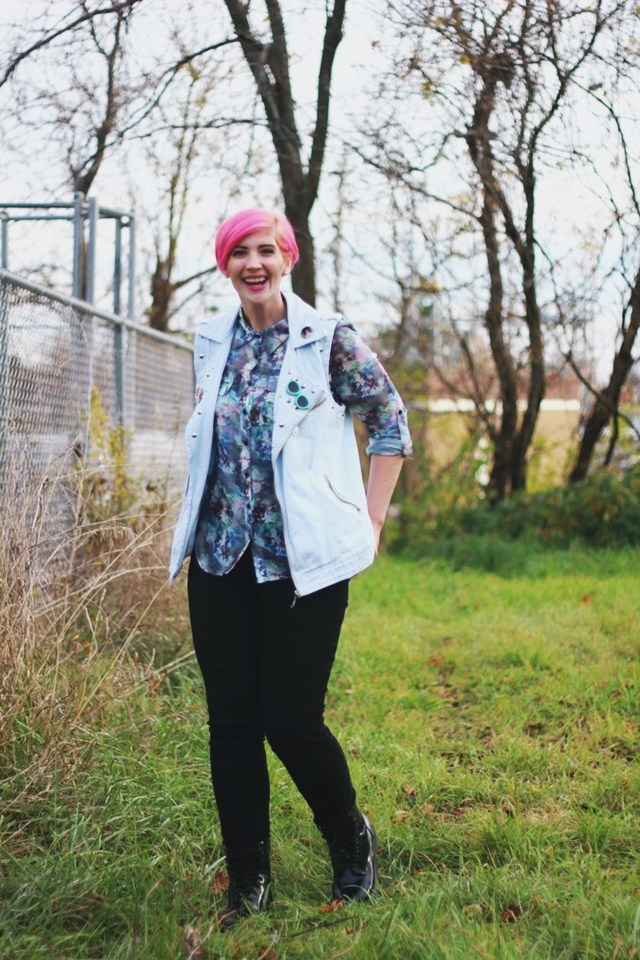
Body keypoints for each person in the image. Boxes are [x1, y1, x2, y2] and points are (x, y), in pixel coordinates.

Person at [170, 208, 412, 928]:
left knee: (291, 721)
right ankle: (248, 882)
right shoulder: (210, 339)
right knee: (232, 724)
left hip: (302, 563)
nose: (254, 262)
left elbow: (390, 421)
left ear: (287, 258)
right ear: (225, 264)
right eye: (239, 252)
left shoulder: (326, 339)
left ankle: (351, 840)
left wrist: (369, 519)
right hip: (220, 560)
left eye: (265, 250)